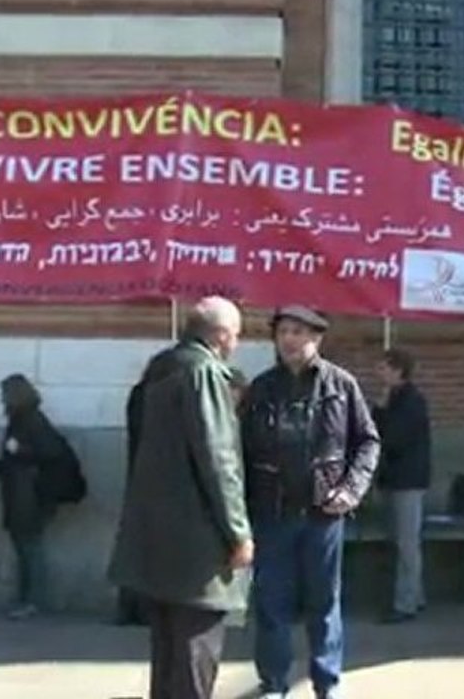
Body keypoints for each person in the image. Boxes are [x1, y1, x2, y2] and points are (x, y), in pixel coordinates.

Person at [109, 297, 254, 699]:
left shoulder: (158, 371)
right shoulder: (204, 373)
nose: (235, 344)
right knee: (196, 652)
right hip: (197, 546)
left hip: (155, 538)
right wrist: (238, 532)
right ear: (222, 335)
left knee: (168, 654)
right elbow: (218, 456)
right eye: (236, 335)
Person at [242, 305, 380, 699]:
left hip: (323, 513)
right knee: (272, 603)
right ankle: (273, 683)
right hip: (273, 512)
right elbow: (241, 449)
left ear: (316, 338)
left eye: (298, 332)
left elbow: (367, 441)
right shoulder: (262, 388)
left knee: (324, 602)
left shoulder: (340, 385)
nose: (288, 339)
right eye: (283, 331)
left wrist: (352, 489)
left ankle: (327, 682)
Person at [0, 374, 64, 619]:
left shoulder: (29, 420)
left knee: (30, 548)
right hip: (24, 493)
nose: (1, 399)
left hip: (29, 495)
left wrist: (19, 451)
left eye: (4, 394)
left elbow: (45, 453)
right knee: (26, 548)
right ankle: (28, 598)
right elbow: (12, 460)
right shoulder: (25, 419)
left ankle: (34, 600)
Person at [117, 347, 177, 626]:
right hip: (164, 481)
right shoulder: (164, 398)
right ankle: (149, 609)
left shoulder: (139, 395)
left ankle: (129, 608)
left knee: (137, 547)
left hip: (138, 476)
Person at [372, 348, 432, 623]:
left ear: (398, 371)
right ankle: (414, 596)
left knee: (407, 544)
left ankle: (405, 602)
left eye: (384, 367)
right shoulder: (396, 399)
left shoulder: (411, 401)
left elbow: (393, 438)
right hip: (396, 479)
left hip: (407, 480)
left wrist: (381, 412)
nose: (379, 372)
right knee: (399, 542)